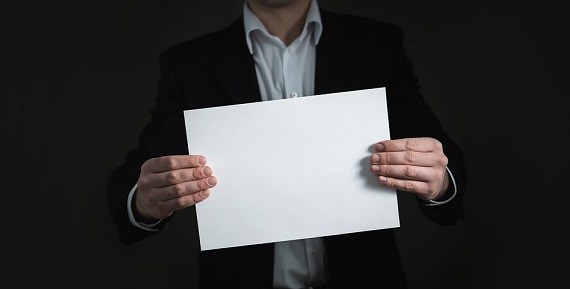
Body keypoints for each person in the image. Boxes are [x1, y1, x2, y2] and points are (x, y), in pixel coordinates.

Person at [107, 0, 467, 288]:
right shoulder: (187, 65)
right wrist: (144, 200)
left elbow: (449, 170)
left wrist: (438, 180)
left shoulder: (377, 45)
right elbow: (132, 186)